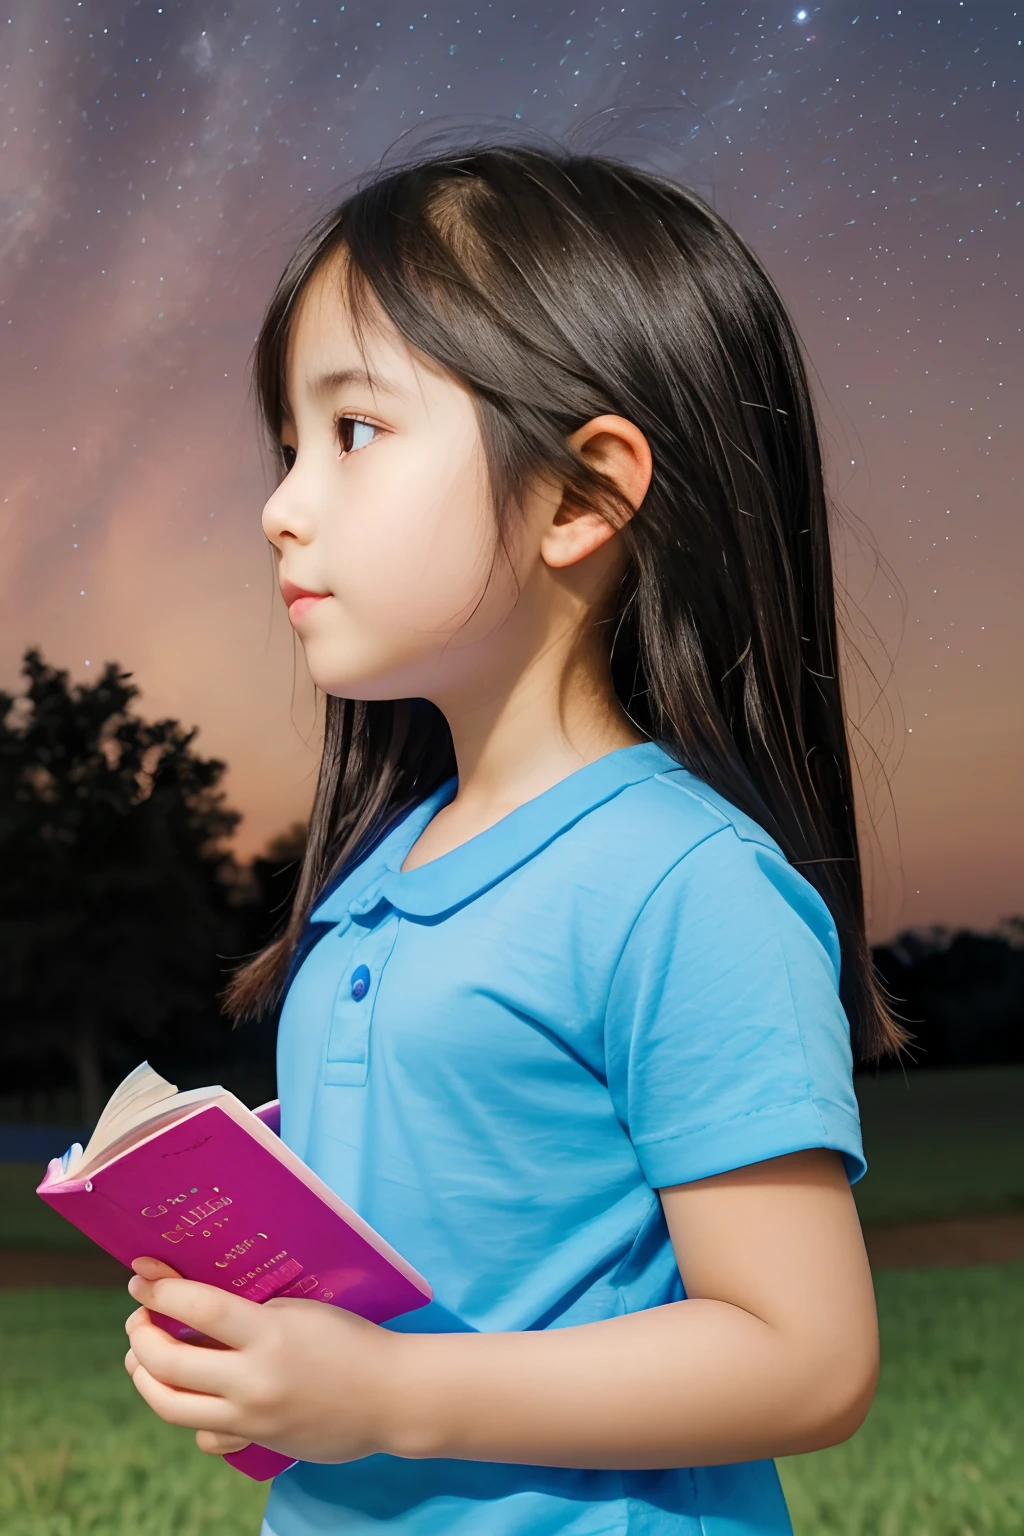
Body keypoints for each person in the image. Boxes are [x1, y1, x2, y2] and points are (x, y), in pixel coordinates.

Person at [122, 141, 903, 1536]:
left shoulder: (686, 886)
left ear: (581, 496)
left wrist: (388, 1397)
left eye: (351, 433)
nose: (279, 505)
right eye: (288, 445)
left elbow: (809, 1355)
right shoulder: (375, 877)